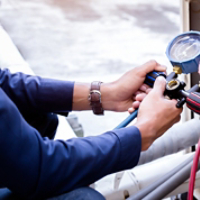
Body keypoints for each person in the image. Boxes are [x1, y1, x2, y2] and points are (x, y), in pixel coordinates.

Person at [0, 60, 182, 200]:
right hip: (34, 168)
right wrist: (142, 133)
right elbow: (37, 165)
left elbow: (4, 83)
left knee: (41, 118)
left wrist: (108, 94)